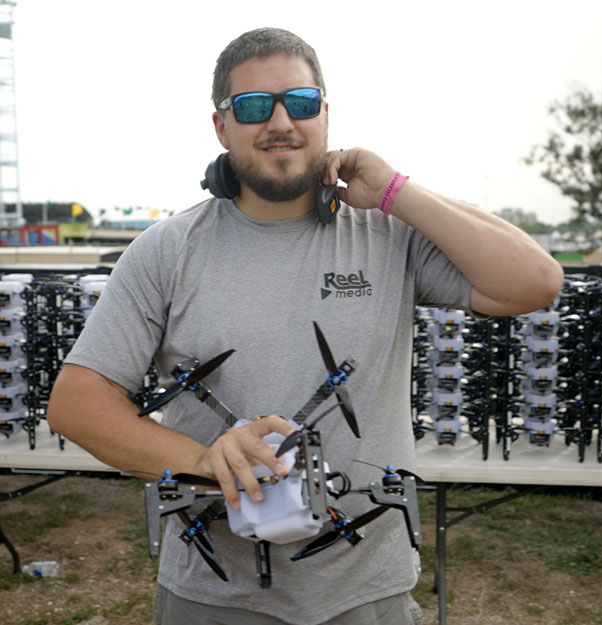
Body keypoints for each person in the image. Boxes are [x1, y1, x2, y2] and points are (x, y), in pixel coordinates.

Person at [47, 27, 564, 625]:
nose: (280, 122)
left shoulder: (388, 236)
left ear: (325, 115)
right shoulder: (165, 252)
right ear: (221, 127)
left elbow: (535, 283)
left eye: (300, 102)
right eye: (252, 106)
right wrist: (208, 456)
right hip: (213, 596)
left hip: (367, 592)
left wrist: (395, 191)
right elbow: (77, 404)